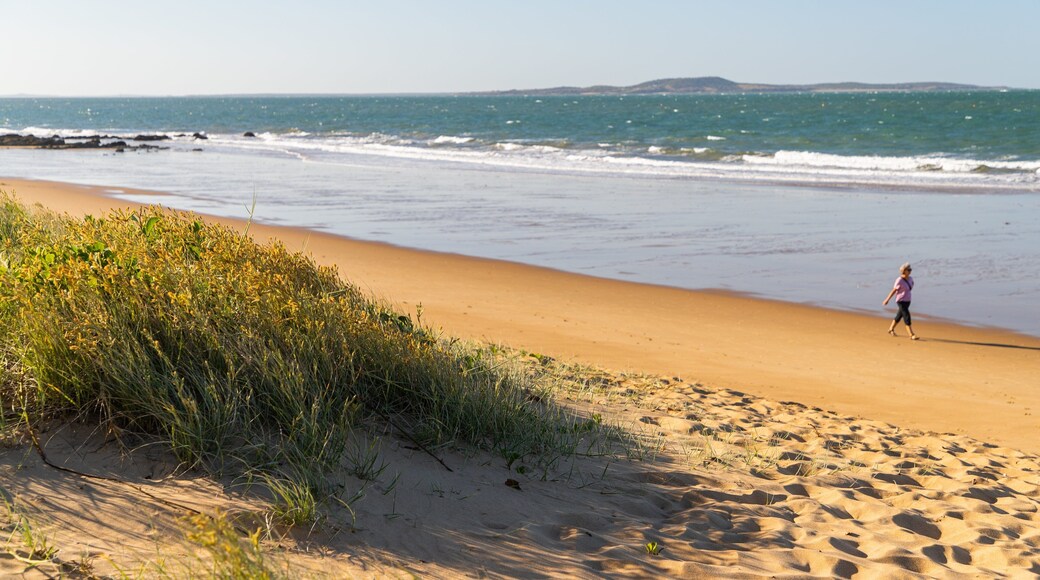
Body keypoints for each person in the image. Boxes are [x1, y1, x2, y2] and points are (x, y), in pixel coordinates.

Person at [883, 262, 918, 340]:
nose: (910, 271)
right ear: (904, 271)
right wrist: (887, 299)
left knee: (899, 316)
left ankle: (890, 329)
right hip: (901, 301)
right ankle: (911, 334)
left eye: (910, 269)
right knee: (907, 315)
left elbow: (911, 286)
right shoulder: (899, 280)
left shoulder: (911, 279)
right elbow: (894, 290)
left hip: (908, 301)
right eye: (908, 270)